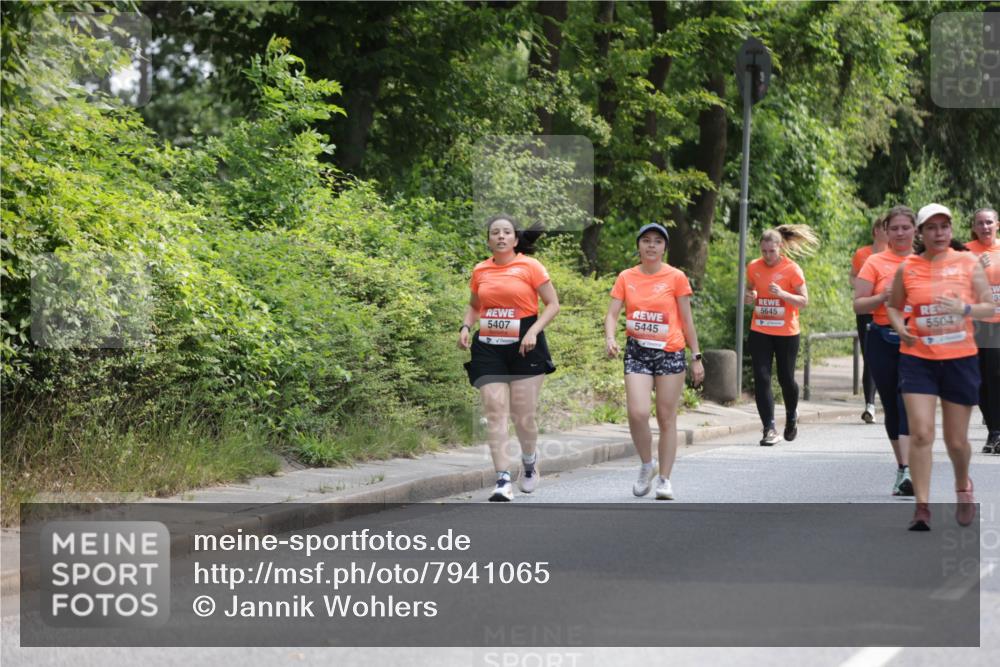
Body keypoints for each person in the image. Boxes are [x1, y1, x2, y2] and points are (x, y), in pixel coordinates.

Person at [886, 203, 992, 531]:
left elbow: (989, 307)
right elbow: (894, 306)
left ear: (951, 229)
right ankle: (922, 507)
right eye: (931, 228)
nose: (939, 233)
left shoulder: (968, 262)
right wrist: (900, 327)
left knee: (956, 442)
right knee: (921, 433)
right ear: (921, 233)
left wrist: (965, 308)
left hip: (960, 359)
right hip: (918, 358)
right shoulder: (908, 267)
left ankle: (962, 485)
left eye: (944, 226)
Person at [459, 215, 559, 502]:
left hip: (526, 344)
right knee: (495, 411)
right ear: (489, 240)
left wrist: (534, 331)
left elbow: (553, 305)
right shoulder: (480, 270)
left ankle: (529, 461)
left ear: (515, 239)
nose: (501, 236)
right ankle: (502, 479)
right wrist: (465, 327)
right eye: (495, 232)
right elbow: (474, 306)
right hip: (489, 345)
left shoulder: (531, 266)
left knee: (522, 415)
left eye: (506, 232)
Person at [604, 223, 704, 500]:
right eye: (646, 240)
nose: (651, 245)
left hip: (670, 352)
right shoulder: (626, 277)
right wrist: (610, 337)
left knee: (665, 417)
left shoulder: (676, 277)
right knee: (637, 413)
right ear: (638, 245)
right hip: (638, 352)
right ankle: (647, 464)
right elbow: (612, 314)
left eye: (657, 241)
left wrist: (696, 356)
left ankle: (665, 479)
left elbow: (687, 320)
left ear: (664, 248)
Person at [853, 207, 915, 496]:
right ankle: (902, 468)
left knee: (907, 402)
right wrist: (882, 297)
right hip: (881, 338)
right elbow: (858, 305)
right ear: (886, 231)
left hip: (915, 340)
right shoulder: (874, 262)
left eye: (905, 227)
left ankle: (910, 470)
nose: (900, 233)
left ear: (915, 230)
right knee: (891, 404)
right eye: (894, 228)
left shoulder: (924, 261)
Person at [744, 225, 819, 446]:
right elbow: (750, 288)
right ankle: (769, 428)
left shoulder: (792, 269)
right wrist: (750, 295)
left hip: (786, 332)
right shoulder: (754, 266)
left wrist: (783, 294)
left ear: (780, 248)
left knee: (786, 378)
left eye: (772, 251)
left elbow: (804, 301)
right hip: (760, 329)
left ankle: (791, 414)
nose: (767, 256)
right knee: (762, 377)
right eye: (764, 251)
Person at [965, 207, 1000, 454]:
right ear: (974, 227)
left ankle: (996, 432)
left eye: (989, 222)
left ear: (997, 224)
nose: (985, 227)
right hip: (975, 322)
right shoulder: (965, 252)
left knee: (995, 376)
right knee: (977, 381)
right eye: (980, 223)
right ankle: (993, 430)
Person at [850, 216, 888, 423]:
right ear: (876, 231)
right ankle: (870, 405)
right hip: (866, 311)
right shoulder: (862, 254)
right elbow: (852, 276)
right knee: (870, 357)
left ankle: (892, 399)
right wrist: (863, 285)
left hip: (889, 312)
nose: (888, 232)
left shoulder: (895, 255)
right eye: (885, 228)